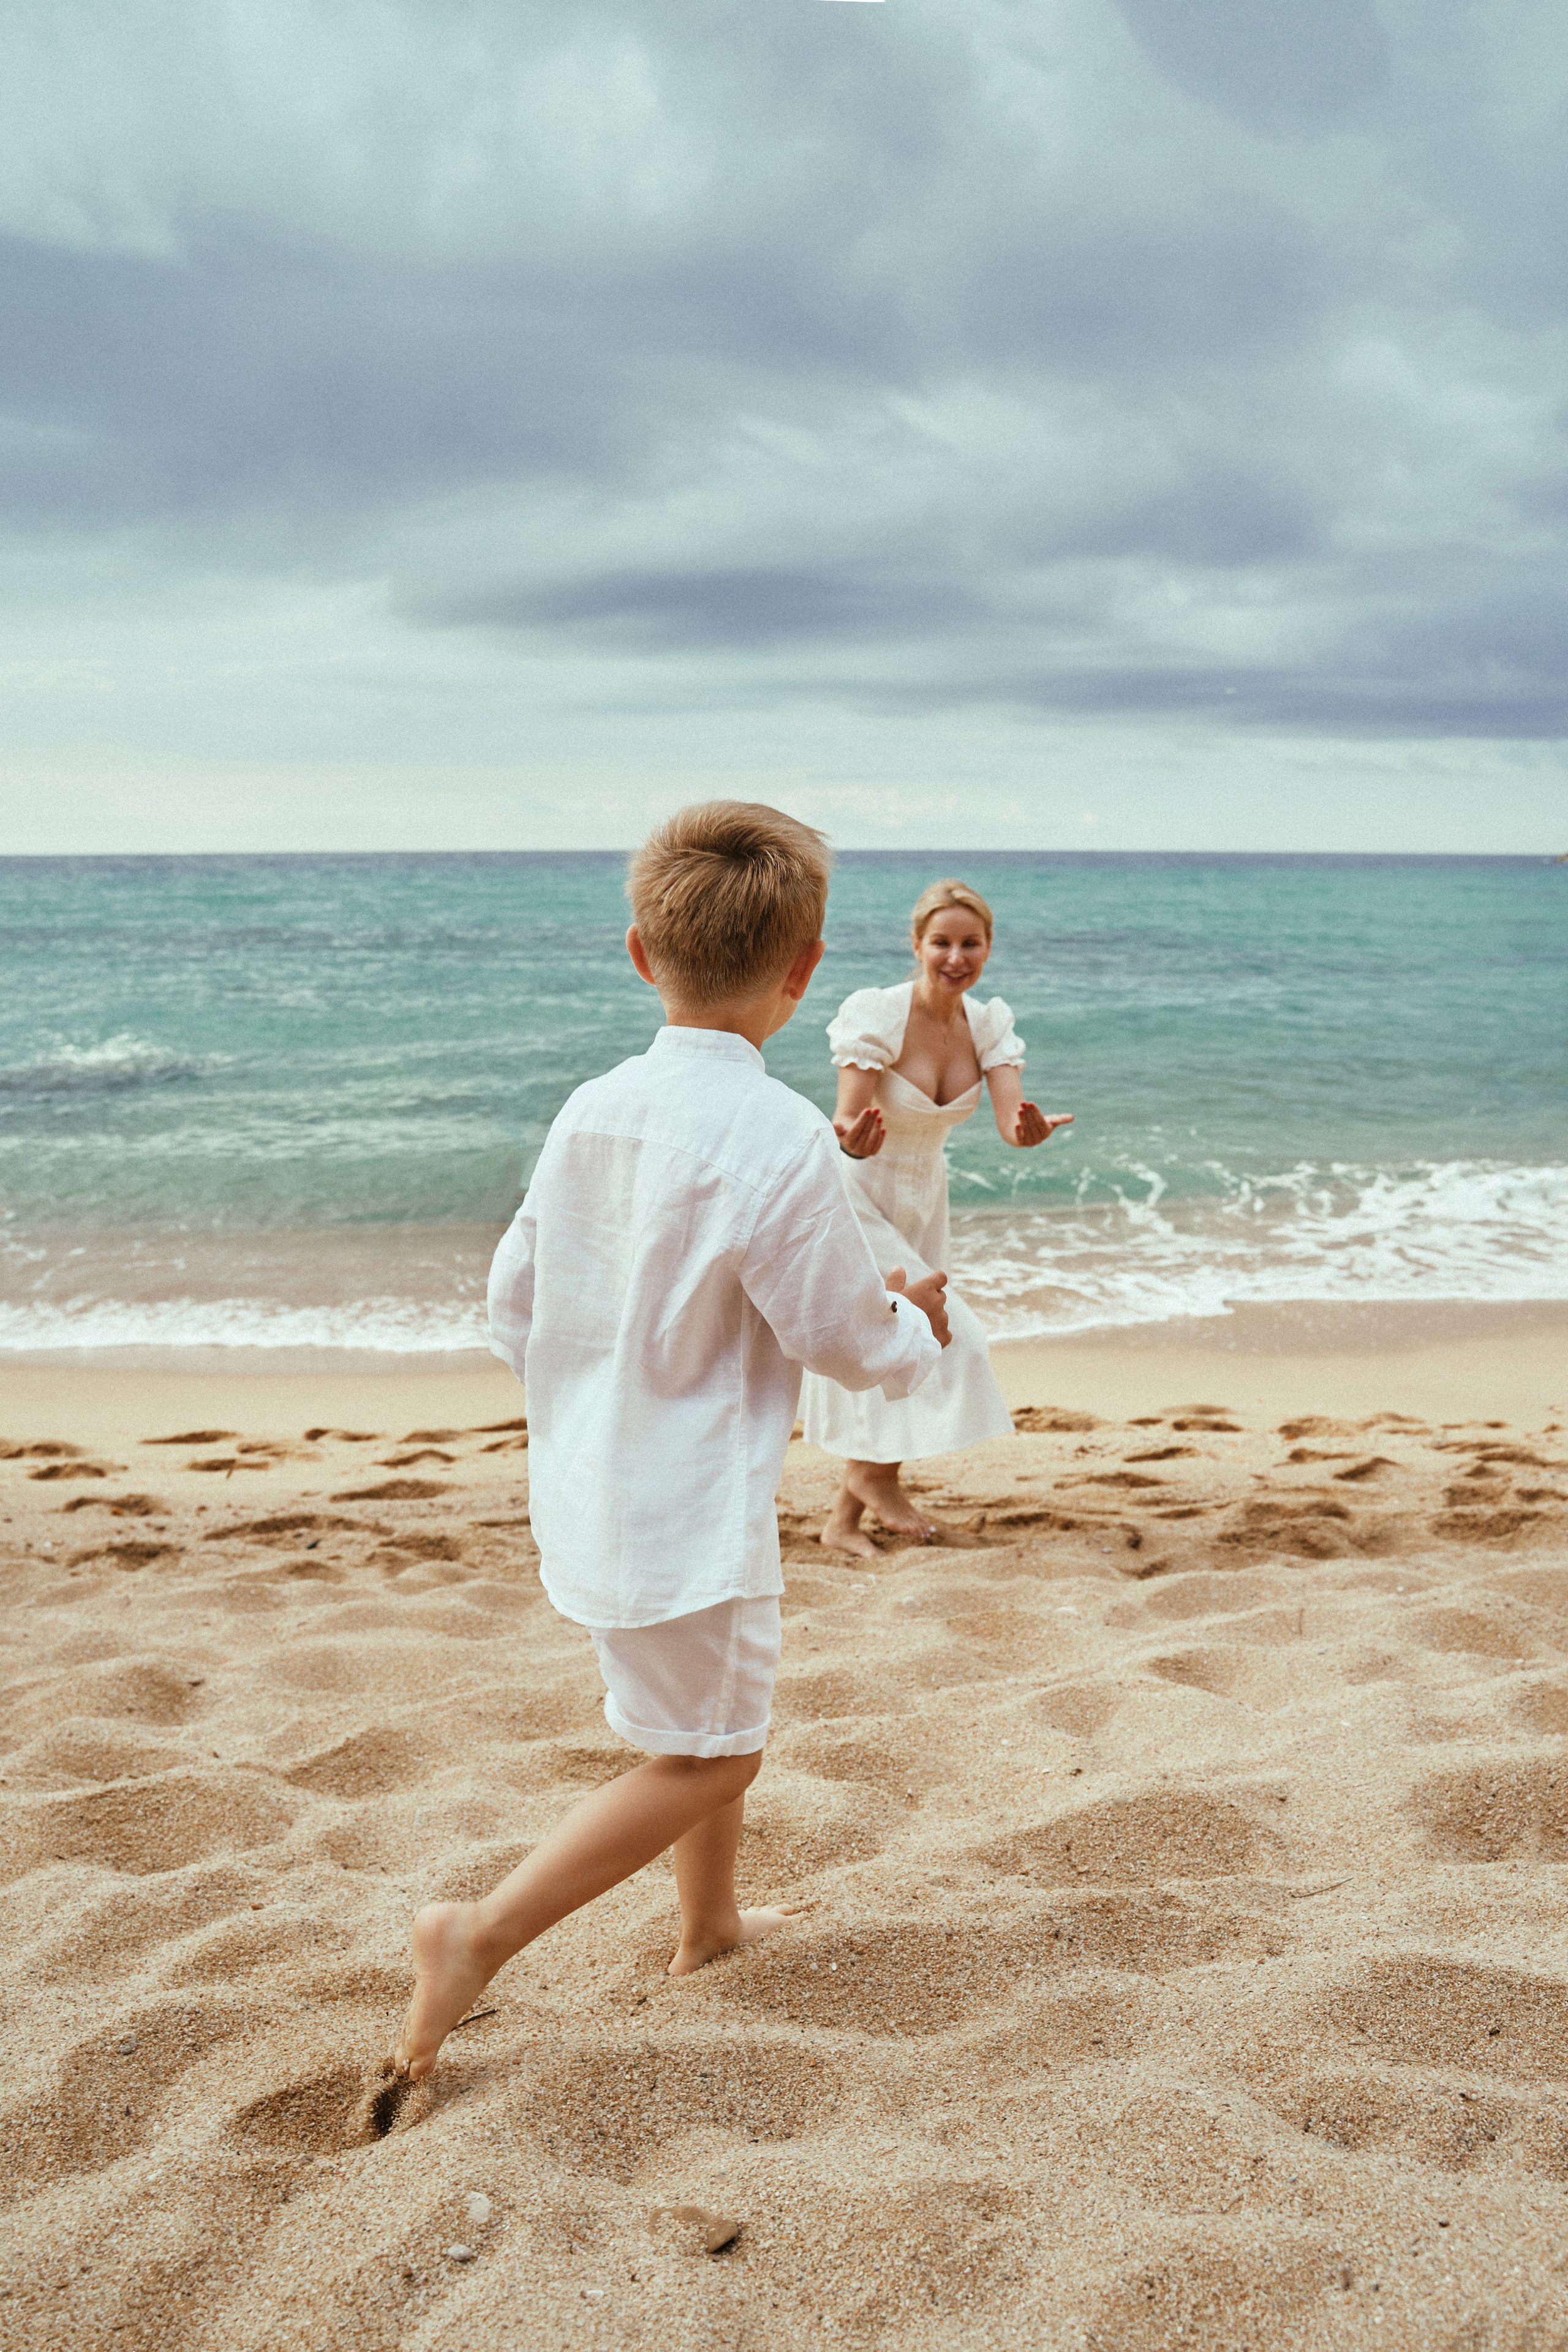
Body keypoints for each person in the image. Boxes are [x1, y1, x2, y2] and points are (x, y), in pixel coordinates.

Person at [389, 803, 951, 2084]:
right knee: (714, 1749)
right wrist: (912, 1328)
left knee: (693, 1721)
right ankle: (478, 1933)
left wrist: (596, 1390)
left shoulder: (591, 1107)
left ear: (640, 952)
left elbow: (514, 1300)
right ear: (805, 974)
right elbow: (840, 1335)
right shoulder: (774, 1135)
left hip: (588, 1476)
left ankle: (708, 1931)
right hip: (690, 1503)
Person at [802, 879, 1072, 1559]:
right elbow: (845, 1118)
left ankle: (844, 1519)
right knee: (948, 1338)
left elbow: (1013, 1124)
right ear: (917, 945)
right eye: (942, 942)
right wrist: (848, 1137)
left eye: (970, 943)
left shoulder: (988, 1025)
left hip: (925, 1197)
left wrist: (1029, 1134)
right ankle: (870, 1478)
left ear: (987, 948)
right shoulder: (879, 1015)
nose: (956, 956)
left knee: (900, 1345)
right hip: (860, 1191)